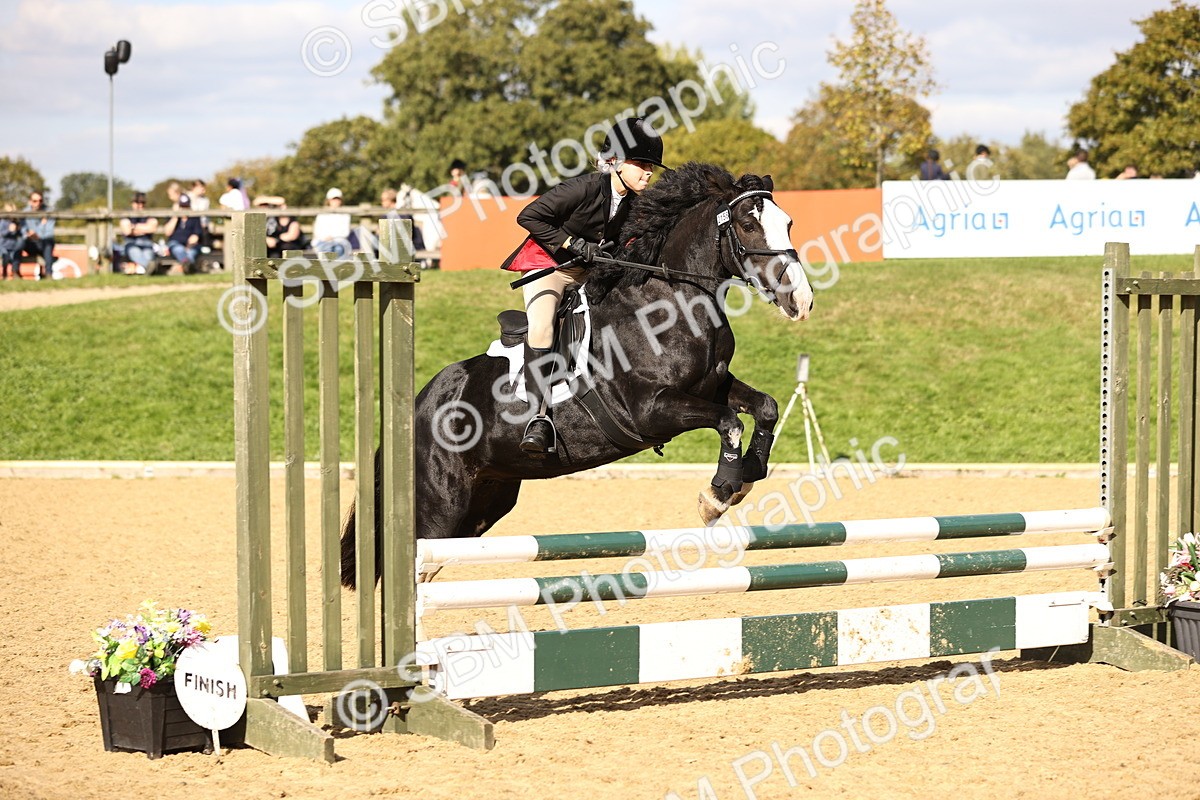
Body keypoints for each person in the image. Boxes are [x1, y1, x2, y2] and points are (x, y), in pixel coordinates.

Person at [499, 116, 666, 455]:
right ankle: (537, 417)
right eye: (641, 164)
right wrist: (572, 243)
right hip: (550, 268)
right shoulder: (584, 188)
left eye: (651, 167)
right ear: (616, 162)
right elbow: (529, 216)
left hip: (590, 274)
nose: (648, 172)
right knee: (543, 328)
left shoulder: (636, 204)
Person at [17, 191, 56, 280]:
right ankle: (15, 272)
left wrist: (36, 234)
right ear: (30, 201)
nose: (38, 203)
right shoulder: (24, 213)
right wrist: (41, 227)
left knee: (48, 242)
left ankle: (48, 274)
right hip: (29, 244)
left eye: (40, 200)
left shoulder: (49, 212)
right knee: (19, 241)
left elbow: (49, 233)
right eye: (35, 201)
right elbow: (24, 232)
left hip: (43, 244)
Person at [116, 192, 158, 274]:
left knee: (148, 255)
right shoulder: (126, 213)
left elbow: (152, 228)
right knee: (134, 252)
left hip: (147, 244)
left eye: (142, 202)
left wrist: (133, 227)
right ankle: (151, 268)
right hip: (131, 243)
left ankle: (146, 268)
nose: (140, 205)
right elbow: (127, 231)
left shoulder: (149, 214)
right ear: (132, 203)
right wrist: (144, 227)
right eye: (137, 202)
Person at [380, 187, 425, 255]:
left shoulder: (403, 214)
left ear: (391, 200)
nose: (382, 203)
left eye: (383, 200)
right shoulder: (384, 216)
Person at [164, 193, 202, 272]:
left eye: (186, 206)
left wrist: (188, 246)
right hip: (175, 244)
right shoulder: (172, 217)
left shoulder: (195, 217)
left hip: (190, 246)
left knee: (191, 253)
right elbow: (167, 232)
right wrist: (175, 216)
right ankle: (189, 267)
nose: (184, 209)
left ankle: (185, 266)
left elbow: (196, 236)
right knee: (179, 250)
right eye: (182, 207)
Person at [313, 187, 352, 258]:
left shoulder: (345, 215)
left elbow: (345, 232)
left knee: (338, 249)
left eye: (338, 199)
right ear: (329, 200)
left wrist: (332, 237)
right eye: (333, 199)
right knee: (326, 249)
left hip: (339, 242)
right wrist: (326, 237)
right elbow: (317, 231)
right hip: (323, 241)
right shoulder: (322, 214)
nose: (336, 201)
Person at [0, 204, 19, 280]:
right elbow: (1, 233)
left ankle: (15, 273)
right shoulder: (3, 222)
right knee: (5, 256)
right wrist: (9, 230)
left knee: (16, 256)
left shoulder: (16, 223)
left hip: (13, 246)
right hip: (4, 246)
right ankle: (4, 274)